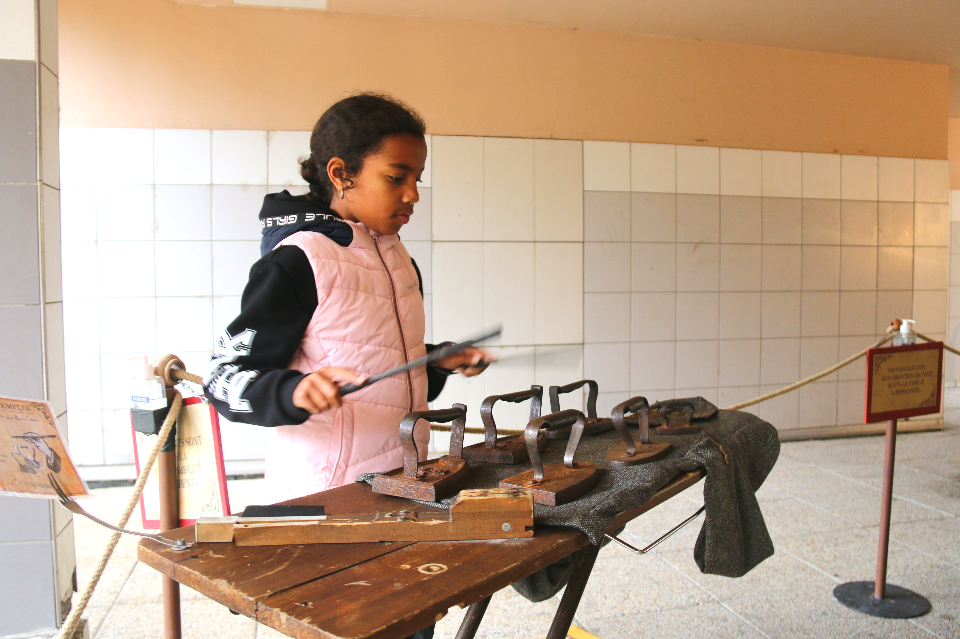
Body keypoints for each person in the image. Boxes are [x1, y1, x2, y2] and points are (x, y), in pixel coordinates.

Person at [203, 93, 491, 507]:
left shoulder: (399, 260)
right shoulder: (299, 260)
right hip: (324, 494)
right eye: (397, 177)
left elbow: (375, 361)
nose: (413, 195)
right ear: (341, 174)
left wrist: (435, 361)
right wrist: (292, 391)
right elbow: (221, 378)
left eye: (418, 179)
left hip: (402, 478)